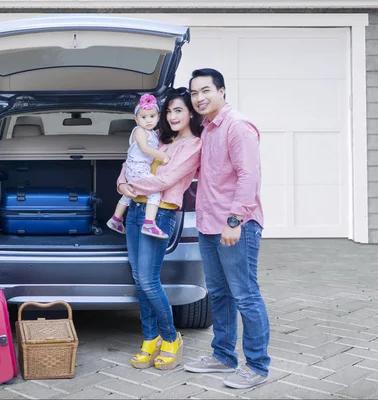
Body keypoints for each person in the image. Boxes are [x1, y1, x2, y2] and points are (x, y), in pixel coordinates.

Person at [182, 68, 271, 390]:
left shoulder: (237, 126)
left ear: (222, 91)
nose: (199, 98)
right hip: (208, 224)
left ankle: (257, 366)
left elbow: (249, 177)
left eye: (206, 90)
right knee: (218, 294)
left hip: (236, 225)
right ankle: (222, 356)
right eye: (194, 93)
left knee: (245, 295)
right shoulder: (206, 129)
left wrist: (235, 221)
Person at [116, 87, 203, 370]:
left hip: (160, 214)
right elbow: (131, 162)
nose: (172, 116)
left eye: (179, 110)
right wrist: (121, 184)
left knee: (149, 279)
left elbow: (166, 179)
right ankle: (149, 338)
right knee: (139, 279)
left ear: (191, 112)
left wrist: (132, 187)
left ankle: (170, 338)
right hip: (135, 212)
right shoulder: (158, 138)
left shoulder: (193, 146)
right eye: (169, 111)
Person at [106, 94, 171, 239]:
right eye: (143, 117)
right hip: (138, 169)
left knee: (128, 194)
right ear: (136, 119)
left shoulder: (153, 133)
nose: (148, 120)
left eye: (152, 116)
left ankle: (116, 219)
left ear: (159, 117)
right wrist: (163, 156)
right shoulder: (139, 131)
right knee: (155, 193)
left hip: (135, 170)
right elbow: (145, 148)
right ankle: (149, 224)